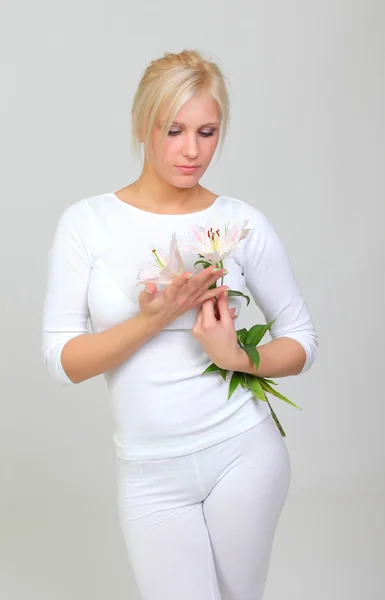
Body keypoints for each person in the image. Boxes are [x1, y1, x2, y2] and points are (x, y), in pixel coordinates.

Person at [42, 49, 318, 600]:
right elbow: (62, 360)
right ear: (143, 125)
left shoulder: (240, 222)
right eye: (174, 130)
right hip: (149, 474)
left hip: (243, 454)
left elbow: (303, 341)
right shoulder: (88, 223)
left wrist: (237, 357)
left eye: (207, 131)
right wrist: (154, 319)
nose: (192, 150)